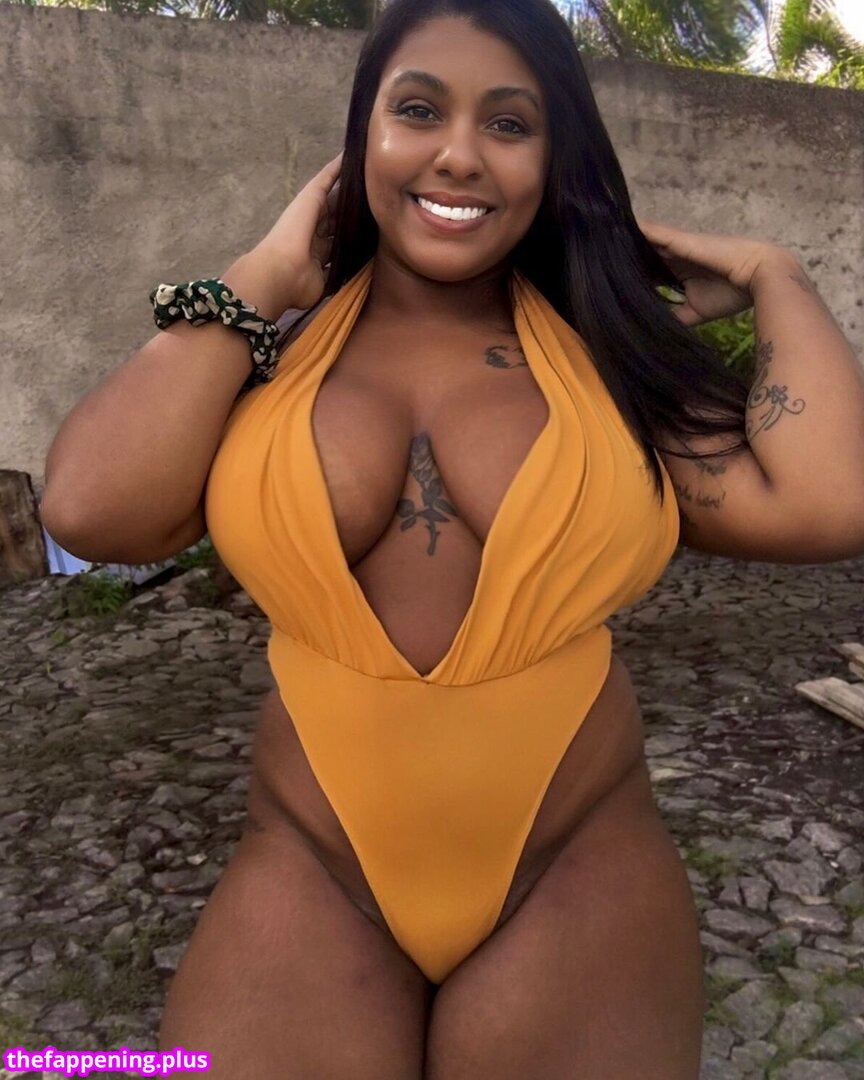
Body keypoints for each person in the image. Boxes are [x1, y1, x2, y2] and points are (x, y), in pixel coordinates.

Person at [40, 0, 864, 1076]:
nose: (460, 155)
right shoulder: (261, 353)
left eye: (510, 124)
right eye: (419, 110)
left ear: (552, 162)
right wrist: (268, 274)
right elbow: (89, 509)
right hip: (312, 867)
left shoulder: (607, 361)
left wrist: (774, 275)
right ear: (363, 138)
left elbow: (827, 502)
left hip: (577, 862)